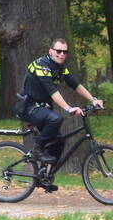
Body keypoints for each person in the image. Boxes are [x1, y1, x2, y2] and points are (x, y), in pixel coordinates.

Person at [20, 38, 104, 169]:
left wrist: (93, 99)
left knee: (59, 142)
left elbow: (75, 84)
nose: (62, 54)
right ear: (51, 51)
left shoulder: (60, 68)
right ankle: (37, 149)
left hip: (42, 108)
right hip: (29, 107)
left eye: (65, 52)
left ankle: (44, 176)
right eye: (58, 51)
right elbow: (52, 91)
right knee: (56, 119)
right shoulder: (42, 65)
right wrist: (69, 108)